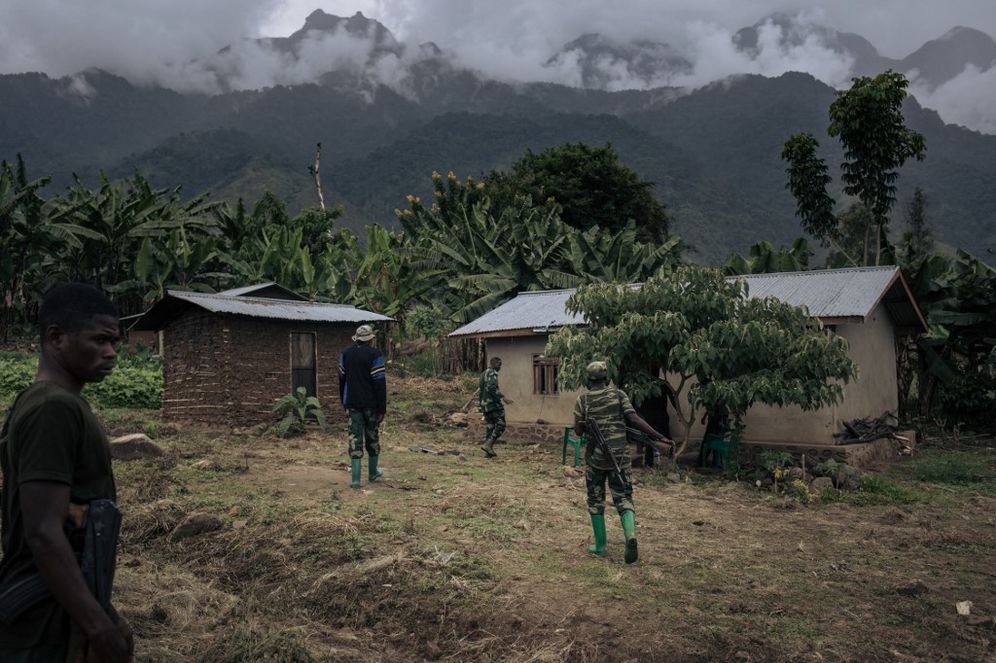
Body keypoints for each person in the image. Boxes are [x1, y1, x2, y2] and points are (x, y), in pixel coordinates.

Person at [0, 283, 134, 662]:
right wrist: (98, 626)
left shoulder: (47, 402)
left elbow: (77, 535)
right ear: (56, 338)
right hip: (42, 618)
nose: (111, 353)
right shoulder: (53, 409)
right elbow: (44, 532)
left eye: (115, 342)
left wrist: (107, 614)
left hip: (60, 603)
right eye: (100, 340)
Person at [574, 360, 672, 564]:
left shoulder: (582, 400)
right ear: (607, 378)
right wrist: (658, 436)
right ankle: (630, 536)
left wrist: (584, 424)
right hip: (620, 457)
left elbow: (578, 431)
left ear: (588, 380)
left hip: (596, 459)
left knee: (595, 500)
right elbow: (634, 419)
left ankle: (600, 546)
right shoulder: (619, 395)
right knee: (624, 498)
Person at [338, 324, 387, 489]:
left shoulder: (345, 354)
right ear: (371, 339)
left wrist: (343, 402)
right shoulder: (376, 355)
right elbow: (380, 383)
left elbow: (341, 380)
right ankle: (373, 473)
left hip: (352, 403)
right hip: (371, 405)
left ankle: (356, 480)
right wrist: (382, 409)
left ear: (357, 339)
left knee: (354, 438)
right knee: (372, 436)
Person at [478, 356, 512, 458]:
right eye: (498, 364)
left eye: (501, 364)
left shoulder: (483, 373)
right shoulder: (492, 373)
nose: (500, 366)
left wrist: (482, 404)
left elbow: (481, 390)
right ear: (493, 364)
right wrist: (503, 397)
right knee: (501, 425)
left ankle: (488, 452)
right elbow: (491, 387)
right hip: (493, 404)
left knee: (490, 426)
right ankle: (488, 444)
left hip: (485, 404)